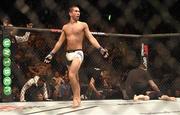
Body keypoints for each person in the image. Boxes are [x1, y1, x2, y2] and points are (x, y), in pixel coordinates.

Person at [44, 5, 108, 108]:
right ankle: (78, 99)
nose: (78, 13)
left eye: (79, 11)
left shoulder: (83, 25)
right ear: (70, 13)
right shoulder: (65, 27)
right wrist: (51, 54)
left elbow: (91, 38)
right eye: (76, 11)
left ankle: (75, 98)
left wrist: (100, 48)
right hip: (68, 54)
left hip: (78, 53)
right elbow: (59, 42)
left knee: (71, 74)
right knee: (75, 78)